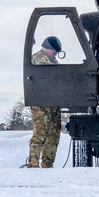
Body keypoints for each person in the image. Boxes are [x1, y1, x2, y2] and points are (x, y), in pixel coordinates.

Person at [26, 36, 63, 168]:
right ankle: (33, 165)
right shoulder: (39, 58)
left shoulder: (51, 60)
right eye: (54, 51)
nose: (55, 54)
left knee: (53, 136)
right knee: (40, 135)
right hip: (41, 105)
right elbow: (51, 75)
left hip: (52, 104)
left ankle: (48, 165)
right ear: (47, 48)